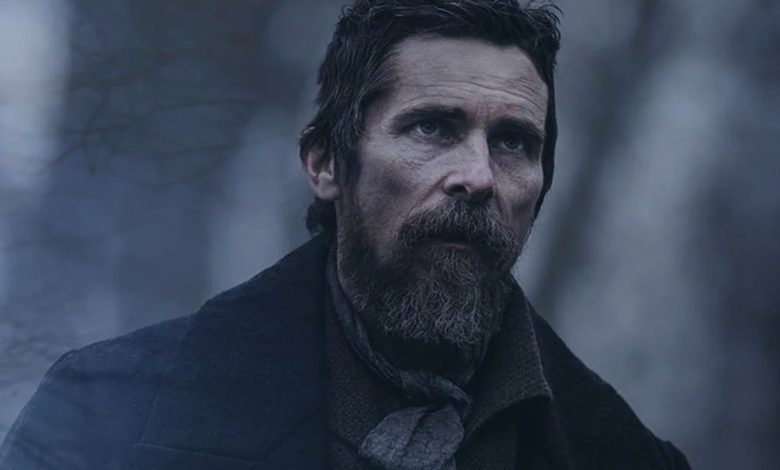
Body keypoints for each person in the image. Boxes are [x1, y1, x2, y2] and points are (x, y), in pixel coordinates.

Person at [0, 1, 691, 469]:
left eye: (513, 142)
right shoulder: (106, 413)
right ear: (327, 164)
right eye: (433, 127)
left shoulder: (621, 455)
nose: (478, 176)